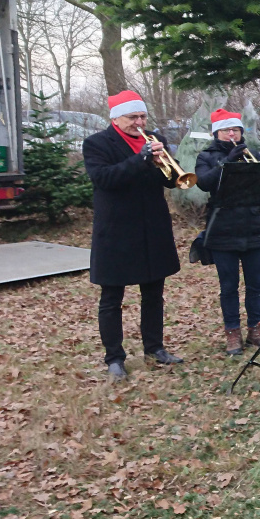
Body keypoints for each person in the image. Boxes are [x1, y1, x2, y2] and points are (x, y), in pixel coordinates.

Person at [82, 90, 183, 381]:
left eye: (142, 116)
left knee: (154, 294)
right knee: (112, 297)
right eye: (132, 117)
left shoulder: (153, 140)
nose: (139, 122)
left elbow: (174, 181)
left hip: (152, 228)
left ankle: (155, 348)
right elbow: (104, 179)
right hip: (116, 231)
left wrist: (169, 167)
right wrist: (139, 160)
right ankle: (114, 358)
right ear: (115, 118)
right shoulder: (96, 143)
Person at [194, 108, 260, 356]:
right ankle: (232, 333)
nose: (232, 133)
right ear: (217, 133)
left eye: (236, 129)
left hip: (253, 225)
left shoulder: (254, 154)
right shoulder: (206, 156)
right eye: (227, 130)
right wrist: (228, 162)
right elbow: (204, 183)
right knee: (228, 286)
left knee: (256, 284)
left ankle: (256, 329)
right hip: (223, 228)